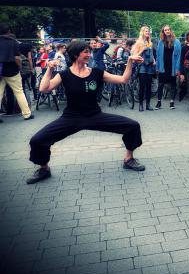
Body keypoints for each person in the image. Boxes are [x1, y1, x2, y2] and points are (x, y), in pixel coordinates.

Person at [27, 40, 146, 184]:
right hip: (71, 117)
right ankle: (44, 168)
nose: (89, 54)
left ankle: (129, 159)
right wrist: (49, 70)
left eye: (89, 51)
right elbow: (44, 88)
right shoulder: (64, 75)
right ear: (76, 54)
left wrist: (129, 62)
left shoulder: (96, 72)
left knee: (133, 126)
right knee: (37, 140)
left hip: (95, 115)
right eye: (86, 52)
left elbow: (123, 79)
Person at [0, 26, 33, 121]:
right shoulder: (13, 42)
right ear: (9, 31)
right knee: (19, 92)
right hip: (12, 70)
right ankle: (27, 114)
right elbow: (17, 58)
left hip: (0, 71)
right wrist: (20, 67)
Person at [155, 25, 181, 110]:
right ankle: (159, 102)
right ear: (163, 32)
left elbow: (179, 56)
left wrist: (177, 69)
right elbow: (158, 56)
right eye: (165, 30)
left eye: (168, 30)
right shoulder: (160, 42)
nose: (167, 31)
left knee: (173, 84)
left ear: (170, 30)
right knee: (160, 84)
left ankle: (172, 102)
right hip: (163, 66)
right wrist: (157, 67)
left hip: (172, 67)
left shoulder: (176, 41)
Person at [132, 26, 156, 112]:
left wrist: (154, 60)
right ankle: (141, 105)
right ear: (142, 32)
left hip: (150, 66)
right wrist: (142, 49)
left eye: (148, 31)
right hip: (142, 66)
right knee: (142, 86)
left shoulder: (150, 42)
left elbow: (152, 53)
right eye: (146, 31)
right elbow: (135, 55)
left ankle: (148, 105)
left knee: (149, 86)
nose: (148, 32)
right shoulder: (139, 42)